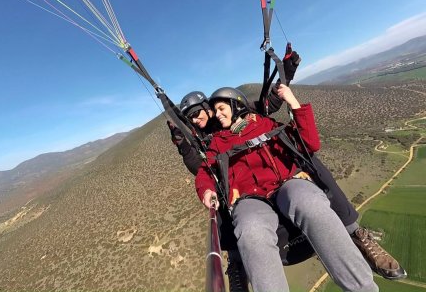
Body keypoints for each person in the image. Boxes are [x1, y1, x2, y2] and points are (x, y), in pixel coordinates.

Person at [170, 89, 406, 284]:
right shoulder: (217, 143)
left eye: (222, 109)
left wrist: (293, 101)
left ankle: (361, 286)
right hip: (249, 199)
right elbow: (204, 172)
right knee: (250, 230)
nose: (218, 115)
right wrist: (206, 190)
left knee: (311, 203)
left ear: (236, 105)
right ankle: (238, 269)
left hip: (287, 183)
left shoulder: (264, 123)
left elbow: (308, 142)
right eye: (215, 111)